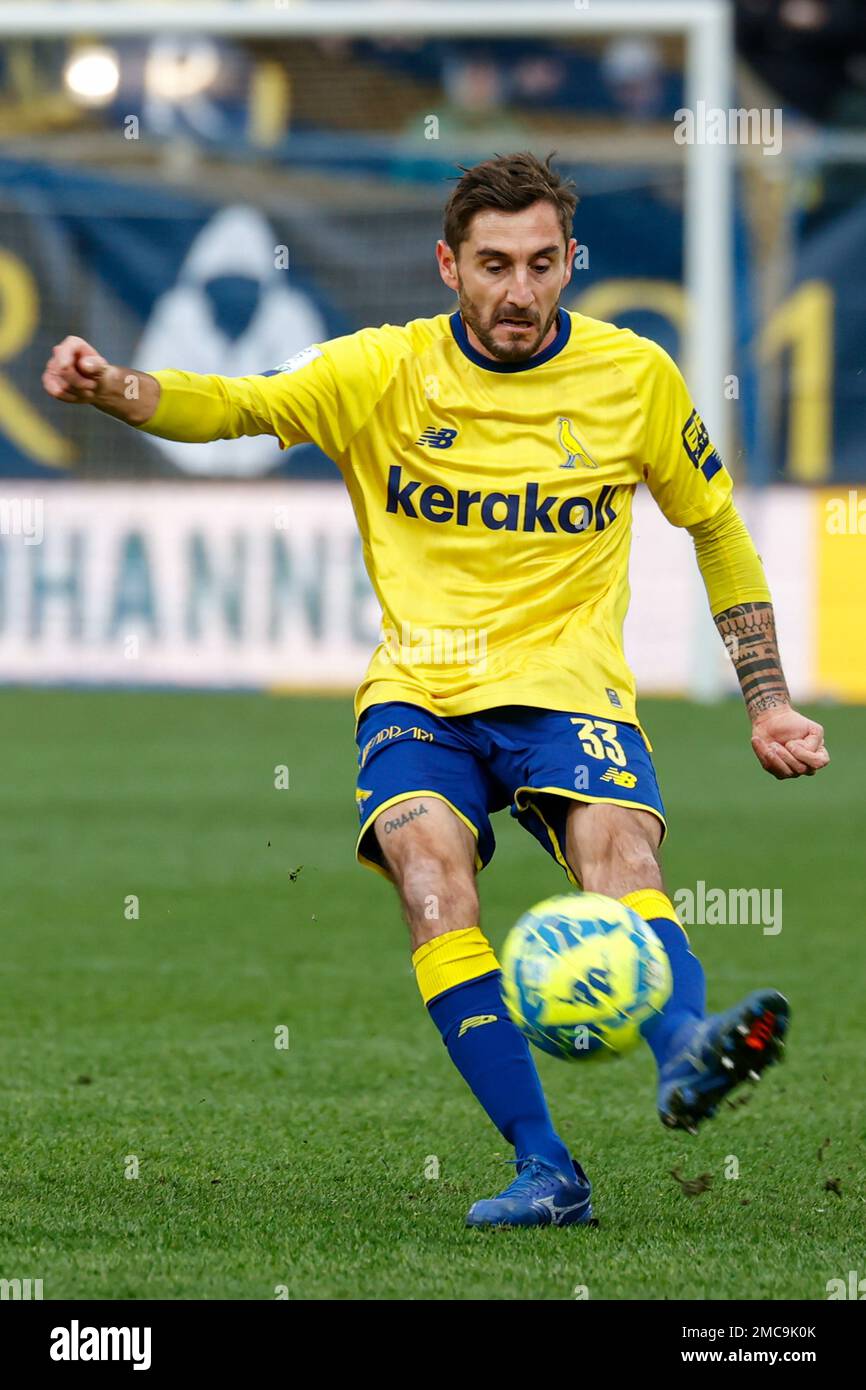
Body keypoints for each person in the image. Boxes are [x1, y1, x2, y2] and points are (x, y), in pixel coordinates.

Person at [42, 152, 829, 1230]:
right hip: (418, 690)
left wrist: (766, 700)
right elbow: (231, 404)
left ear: (568, 263)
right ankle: (545, 1167)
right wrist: (110, 387)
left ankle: (685, 1044)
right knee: (429, 877)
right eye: (494, 264)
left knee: (619, 851)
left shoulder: (632, 375)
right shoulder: (382, 369)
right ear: (447, 264)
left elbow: (715, 527)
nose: (519, 290)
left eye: (542, 263)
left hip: (568, 687)